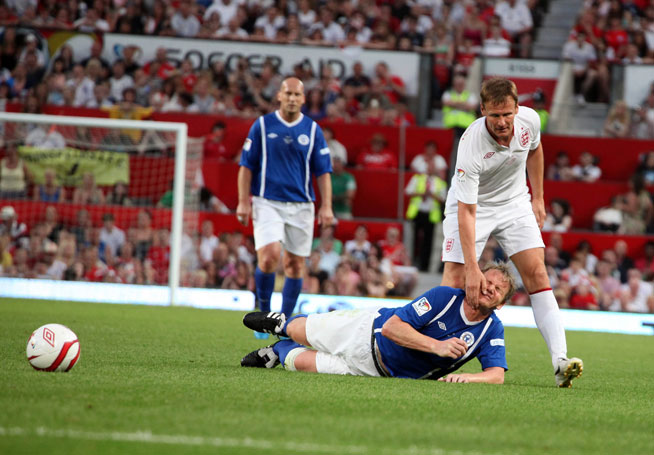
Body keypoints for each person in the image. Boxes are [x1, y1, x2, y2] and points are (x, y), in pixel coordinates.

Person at [439, 77, 583, 388]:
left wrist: (538, 196)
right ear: (482, 111)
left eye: (507, 114)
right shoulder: (470, 144)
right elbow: (467, 212)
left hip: (515, 202)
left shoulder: (529, 120)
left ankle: (560, 361)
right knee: (453, 277)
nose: (502, 122)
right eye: (495, 115)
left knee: (538, 275)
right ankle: (434, 356)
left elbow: (535, 150)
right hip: (471, 207)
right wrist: (473, 268)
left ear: (517, 108)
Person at [241, 262, 516, 384]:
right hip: (367, 332)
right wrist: (437, 346)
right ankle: (281, 325)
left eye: (497, 290)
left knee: (298, 362)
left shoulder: (492, 329)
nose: (489, 288)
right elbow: (392, 328)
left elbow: (496, 374)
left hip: (376, 373)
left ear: (501, 303)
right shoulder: (444, 297)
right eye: (487, 281)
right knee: (304, 330)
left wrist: (469, 377)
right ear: (476, 280)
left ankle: (279, 351)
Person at [236, 77, 333, 338]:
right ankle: (264, 313)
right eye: (287, 93)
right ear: (279, 95)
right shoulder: (262, 125)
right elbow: (246, 166)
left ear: (304, 99)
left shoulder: (313, 130)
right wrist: (243, 201)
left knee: (294, 266)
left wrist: (327, 207)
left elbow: (323, 172)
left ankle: (284, 322)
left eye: (297, 94)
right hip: (267, 201)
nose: (292, 98)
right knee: (268, 256)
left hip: (302, 205)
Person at [404, 159, 447, 271]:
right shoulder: (417, 178)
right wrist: (421, 193)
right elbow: (408, 191)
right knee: (414, 240)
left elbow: (443, 199)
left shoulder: (440, 182)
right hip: (417, 213)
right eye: (429, 166)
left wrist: (432, 195)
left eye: (432, 166)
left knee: (428, 242)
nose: (430, 168)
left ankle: (424, 266)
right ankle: (412, 262)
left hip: (431, 214)